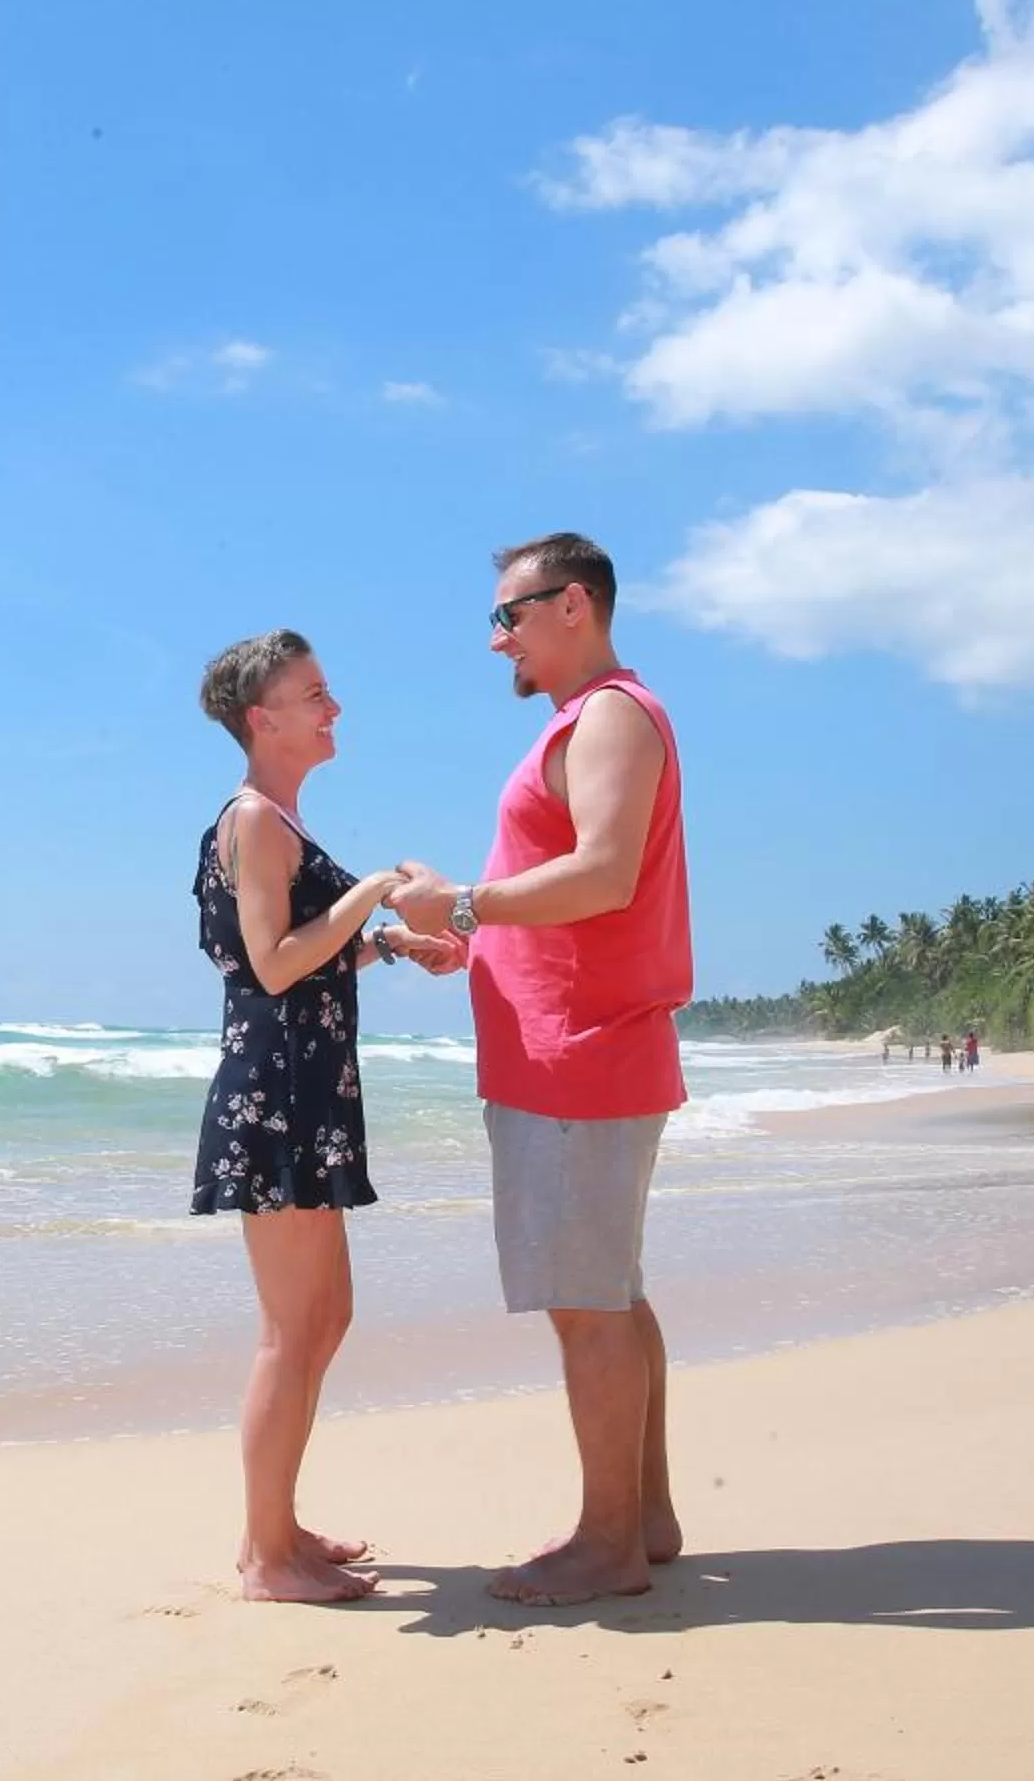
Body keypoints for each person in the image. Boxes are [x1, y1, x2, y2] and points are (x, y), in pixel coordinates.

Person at [391, 534, 691, 1607]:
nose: (496, 637)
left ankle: (606, 1541)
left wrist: (467, 901)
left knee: (588, 1303)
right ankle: (642, 1517)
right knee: (610, 1291)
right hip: (584, 1042)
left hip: (579, 1054)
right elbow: (567, 893)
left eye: (509, 615)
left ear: (574, 604)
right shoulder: (594, 718)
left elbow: (605, 874)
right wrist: (463, 939)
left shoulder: (611, 712)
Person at [193, 629, 462, 1603]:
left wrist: (384, 944)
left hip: (306, 1091)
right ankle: (266, 1555)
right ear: (263, 720)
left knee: (325, 1314)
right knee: (289, 1327)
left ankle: (280, 1523)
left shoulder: (281, 824)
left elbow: (304, 958)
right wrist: (379, 888)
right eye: (314, 694)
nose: (333, 707)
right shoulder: (255, 818)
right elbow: (269, 964)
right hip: (275, 1099)